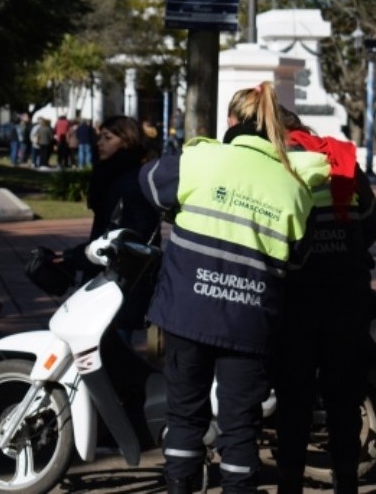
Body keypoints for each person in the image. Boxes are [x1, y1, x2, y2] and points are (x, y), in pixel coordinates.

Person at [138, 82, 329, 493]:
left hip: (187, 314)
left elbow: (150, 183)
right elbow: (297, 258)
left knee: (185, 418)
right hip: (249, 321)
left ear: (231, 121)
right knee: (239, 427)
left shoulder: (202, 160)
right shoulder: (294, 186)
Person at [274, 109, 376, 494]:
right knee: (343, 397)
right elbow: (372, 222)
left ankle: (289, 483)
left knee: (293, 399)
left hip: (295, 299)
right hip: (347, 295)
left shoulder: (276, 164)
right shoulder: (340, 160)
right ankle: (346, 482)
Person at [59, 115, 160, 344]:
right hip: (108, 278)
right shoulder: (111, 174)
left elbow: (129, 239)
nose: (99, 143)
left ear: (125, 141)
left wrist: (79, 256)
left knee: (112, 354)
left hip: (122, 285)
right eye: (100, 137)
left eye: (107, 138)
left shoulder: (132, 181)